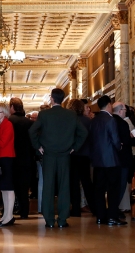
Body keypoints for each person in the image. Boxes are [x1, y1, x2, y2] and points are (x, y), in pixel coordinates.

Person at [29, 88, 88, 228]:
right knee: (64, 186)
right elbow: (84, 132)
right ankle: (62, 220)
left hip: (48, 154)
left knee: (48, 186)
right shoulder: (71, 114)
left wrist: (38, 146)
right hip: (65, 154)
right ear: (63, 99)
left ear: (52, 98)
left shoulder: (44, 114)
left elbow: (32, 131)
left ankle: (49, 220)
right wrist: (74, 147)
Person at [89, 95, 125, 226]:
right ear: (109, 105)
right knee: (113, 190)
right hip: (111, 161)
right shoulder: (111, 120)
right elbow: (115, 140)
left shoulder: (94, 120)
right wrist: (119, 146)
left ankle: (100, 216)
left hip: (97, 161)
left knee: (98, 190)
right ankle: (112, 217)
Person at [66, 98, 95, 217]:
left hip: (73, 155)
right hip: (86, 155)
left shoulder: (69, 121)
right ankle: (94, 208)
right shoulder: (88, 121)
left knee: (74, 183)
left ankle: (76, 209)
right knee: (87, 182)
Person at [8, 97, 34, 219]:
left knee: (11, 186)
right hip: (27, 158)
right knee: (24, 187)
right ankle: (24, 211)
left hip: (12, 158)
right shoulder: (29, 122)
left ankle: (9, 211)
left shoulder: (9, 121)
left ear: (12, 107)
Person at [0, 102, 16, 227]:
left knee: (8, 188)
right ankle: (6, 215)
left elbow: (2, 143)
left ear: (4, 113)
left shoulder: (8, 125)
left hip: (7, 158)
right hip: (1, 158)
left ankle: (9, 216)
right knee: (3, 189)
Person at [112, 101, 133, 219]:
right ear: (120, 111)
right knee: (121, 185)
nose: (126, 112)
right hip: (123, 159)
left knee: (113, 184)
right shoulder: (123, 124)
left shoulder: (110, 121)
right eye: (125, 110)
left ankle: (113, 208)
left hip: (112, 159)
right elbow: (126, 142)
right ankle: (114, 209)